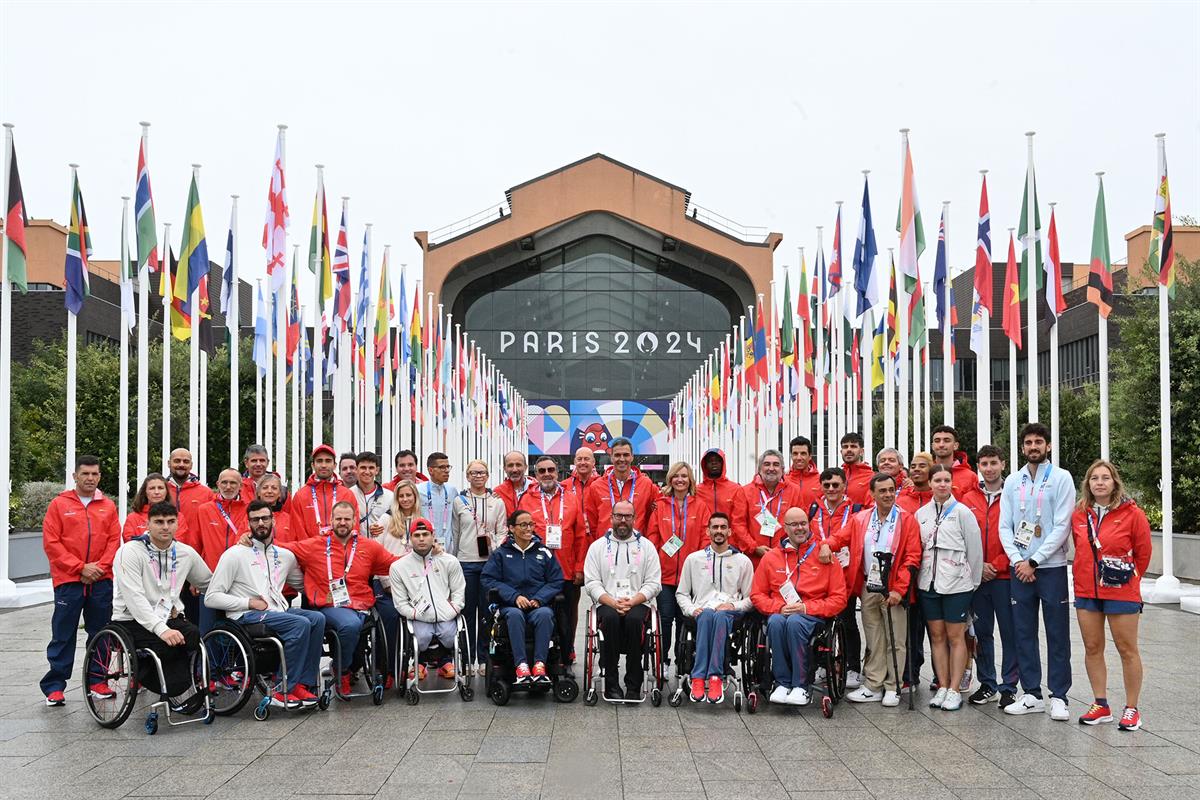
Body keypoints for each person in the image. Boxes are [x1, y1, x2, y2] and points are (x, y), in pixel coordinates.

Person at [204, 500, 325, 707]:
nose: (261, 523)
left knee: (317, 618)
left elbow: (304, 585)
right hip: (245, 615)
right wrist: (248, 602)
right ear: (248, 523)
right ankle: (282, 688)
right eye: (255, 519)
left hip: (276, 611)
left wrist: (328, 593)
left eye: (265, 518)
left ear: (273, 520)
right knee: (299, 624)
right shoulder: (234, 555)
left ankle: (301, 684)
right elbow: (211, 597)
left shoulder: (285, 556)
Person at [999, 422, 1075, 721]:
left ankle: (1059, 695)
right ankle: (1031, 693)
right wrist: (1019, 559)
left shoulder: (1061, 478)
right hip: (1019, 568)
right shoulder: (1013, 481)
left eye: (1038, 442)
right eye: (1028, 442)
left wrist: (1036, 560)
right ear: (1022, 448)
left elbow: (1062, 524)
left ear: (1048, 446)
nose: (1033, 447)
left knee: (1057, 633)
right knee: (1023, 632)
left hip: (1051, 567)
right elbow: (1006, 525)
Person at [282, 501, 398, 695]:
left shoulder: (368, 546)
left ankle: (351, 666)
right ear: (331, 520)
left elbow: (394, 563)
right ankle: (341, 670)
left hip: (360, 604)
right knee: (350, 625)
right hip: (328, 604)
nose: (342, 522)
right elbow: (282, 547)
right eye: (338, 519)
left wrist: (426, 553)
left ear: (354, 521)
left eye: (347, 519)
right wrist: (249, 538)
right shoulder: (314, 545)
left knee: (363, 623)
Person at [823, 473, 920, 707]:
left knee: (895, 639)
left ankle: (892, 685)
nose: (887, 495)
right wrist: (826, 545)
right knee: (874, 636)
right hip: (869, 585)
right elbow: (840, 537)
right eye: (882, 491)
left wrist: (899, 589)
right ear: (872, 494)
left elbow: (912, 557)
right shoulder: (861, 519)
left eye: (891, 490)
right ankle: (874, 684)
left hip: (894, 588)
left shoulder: (906, 520)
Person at [1071, 460, 1152, 731]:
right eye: (1094, 478)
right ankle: (1100, 704)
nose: (1100, 482)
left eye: (1105, 477)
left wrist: (1127, 577)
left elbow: (1143, 554)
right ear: (1088, 483)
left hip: (1121, 590)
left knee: (1127, 649)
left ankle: (1132, 709)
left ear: (1115, 482)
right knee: (1093, 648)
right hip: (1086, 590)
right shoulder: (1080, 514)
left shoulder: (1132, 514)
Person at [110, 502, 211, 711]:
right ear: (147, 524)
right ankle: (169, 687)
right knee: (165, 643)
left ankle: (186, 685)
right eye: (159, 522)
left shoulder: (185, 553)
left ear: (177, 524)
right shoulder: (129, 552)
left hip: (169, 615)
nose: (165, 527)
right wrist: (162, 629)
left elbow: (208, 582)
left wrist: (242, 599)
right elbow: (134, 598)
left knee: (192, 633)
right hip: (133, 619)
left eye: (170, 522)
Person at [40, 455, 121, 706]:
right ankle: (54, 686)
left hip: (101, 579)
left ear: (99, 476)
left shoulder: (108, 506)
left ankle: (98, 681)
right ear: (75, 475)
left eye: (94, 474)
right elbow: (52, 543)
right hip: (69, 581)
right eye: (85, 473)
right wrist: (80, 568)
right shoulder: (59, 505)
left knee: (101, 632)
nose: (90, 478)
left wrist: (99, 568)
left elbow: (113, 540)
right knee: (63, 634)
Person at [752, 507, 848, 707]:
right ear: (785, 528)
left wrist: (806, 608)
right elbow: (757, 594)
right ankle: (782, 682)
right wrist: (778, 607)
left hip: (813, 615)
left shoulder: (825, 556)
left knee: (795, 622)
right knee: (777, 622)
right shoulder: (771, 558)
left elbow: (839, 599)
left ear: (809, 524)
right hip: (782, 611)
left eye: (803, 523)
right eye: (794, 524)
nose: (800, 528)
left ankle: (801, 685)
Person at [916, 465, 983, 711]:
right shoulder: (921, 513)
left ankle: (955, 689)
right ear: (930, 483)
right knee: (936, 636)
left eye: (946, 480)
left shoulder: (963, 513)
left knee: (956, 637)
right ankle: (942, 685)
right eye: (937, 480)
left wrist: (972, 583)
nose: (942, 484)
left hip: (957, 584)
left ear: (952, 483)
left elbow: (975, 551)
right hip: (928, 583)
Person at [582, 500, 662, 700]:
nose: (623, 520)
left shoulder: (647, 547)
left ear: (634, 519)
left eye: (628, 516)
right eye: (619, 516)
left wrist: (633, 601)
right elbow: (591, 582)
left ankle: (634, 685)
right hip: (607, 603)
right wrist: (610, 601)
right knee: (609, 619)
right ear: (611, 518)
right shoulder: (597, 547)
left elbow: (654, 583)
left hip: (637, 602)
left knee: (635, 621)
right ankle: (611, 684)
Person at [960, 445, 1018, 707]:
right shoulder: (966, 498)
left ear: (1003, 464)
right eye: (984, 464)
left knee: (1009, 632)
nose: (989, 468)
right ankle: (987, 683)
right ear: (978, 467)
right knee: (982, 633)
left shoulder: (1014, 495)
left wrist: (998, 564)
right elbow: (959, 537)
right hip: (977, 578)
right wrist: (978, 566)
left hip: (1005, 577)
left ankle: (1009, 686)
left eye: (994, 462)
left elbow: (1021, 535)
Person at [676, 512, 754, 703]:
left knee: (719, 616)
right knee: (708, 615)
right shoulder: (694, 559)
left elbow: (751, 598)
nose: (719, 531)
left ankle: (714, 676)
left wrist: (732, 605)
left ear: (730, 531)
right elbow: (682, 593)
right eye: (715, 527)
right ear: (708, 531)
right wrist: (691, 609)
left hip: (730, 614)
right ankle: (698, 677)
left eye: (722, 527)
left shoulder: (743, 561)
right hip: (701, 613)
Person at [482, 509, 565, 684]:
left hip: (537, 605)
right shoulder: (501, 554)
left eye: (531, 524)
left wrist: (540, 598)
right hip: (510, 605)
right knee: (514, 615)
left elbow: (556, 580)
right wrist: (514, 596)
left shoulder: (544, 552)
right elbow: (488, 579)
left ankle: (540, 665)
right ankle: (521, 666)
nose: (529, 528)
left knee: (545, 615)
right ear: (511, 528)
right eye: (523, 525)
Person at [647, 461, 711, 670]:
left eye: (684, 476)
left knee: (685, 619)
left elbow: (705, 536)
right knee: (665, 619)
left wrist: (699, 562)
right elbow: (653, 535)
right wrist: (658, 557)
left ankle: (681, 660)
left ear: (690, 479)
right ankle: (663, 660)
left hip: (691, 575)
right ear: (670, 479)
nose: (680, 480)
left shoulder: (700, 506)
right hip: (665, 575)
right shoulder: (661, 505)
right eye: (676, 476)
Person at [518, 457, 582, 662]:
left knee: (568, 615)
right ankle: (537, 656)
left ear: (558, 473)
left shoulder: (571, 497)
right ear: (536, 475)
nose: (547, 474)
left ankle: (567, 651)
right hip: (537, 571)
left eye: (551, 470)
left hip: (566, 568)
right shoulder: (526, 499)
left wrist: (579, 567)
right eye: (542, 470)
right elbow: (519, 534)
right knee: (539, 613)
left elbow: (580, 535)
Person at [389, 518, 466, 680]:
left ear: (433, 536)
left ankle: (445, 662)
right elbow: (400, 602)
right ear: (410, 539)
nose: (422, 538)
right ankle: (420, 663)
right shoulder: (398, 567)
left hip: (446, 615)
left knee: (449, 635)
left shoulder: (450, 561)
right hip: (419, 617)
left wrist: (453, 609)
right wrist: (415, 614)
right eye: (417, 535)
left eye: (425, 534)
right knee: (422, 637)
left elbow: (459, 590)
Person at [809, 467, 864, 689]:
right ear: (821, 487)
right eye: (827, 485)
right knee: (821, 620)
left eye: (836, 485)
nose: (831, 489)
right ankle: (823, 663)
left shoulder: (856, 510)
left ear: (844, 486)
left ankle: (852, 668)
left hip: (846, 573)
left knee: (848, 620)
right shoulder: (814, 509)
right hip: (819, 573)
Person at [455, 460, 508, 673]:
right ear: (467, 476)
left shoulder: (497, 501)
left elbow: (503, 530)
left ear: (488, 475)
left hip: (489, 563)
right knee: (467, 612)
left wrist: (493, 545)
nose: (478, 476)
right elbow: (455, 532)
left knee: (487, 613)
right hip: (466, 562)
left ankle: (485, 659)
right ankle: (467, 660)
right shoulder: (459, 501)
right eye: (473, 472)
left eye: (482, 472)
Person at [896, 452, 934, 687]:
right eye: (913, 466)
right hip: (909, 572)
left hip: (935, 572)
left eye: (922, 466)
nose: (917, 469)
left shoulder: (940, 497)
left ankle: (943, 676)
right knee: (911, 628)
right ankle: (910, 673)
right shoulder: (900, 500)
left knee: (937, 628)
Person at [584, 438, 657, 541]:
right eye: (617, 455)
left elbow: (651, 518)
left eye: (626, 455)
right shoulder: (596, 486)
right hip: (606, 547)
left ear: (632, 457)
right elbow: (592, 523)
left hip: (636, 547)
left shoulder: (646, 484)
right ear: (611, 457)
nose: (622, 459)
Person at [739, 449, 804, 566]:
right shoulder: (745, 492)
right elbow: (738, 524)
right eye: (767, 464)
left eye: (776, 464)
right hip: (754, 557)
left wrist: (785, 546)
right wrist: (754, 547)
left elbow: (800, 523)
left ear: (783, 470)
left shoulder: (794, 491)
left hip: (785, 555)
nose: (771, 468)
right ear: (759, 469)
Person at [289, 444, 359, 541]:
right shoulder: (301, 496)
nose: (324, 465)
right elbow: (297, 529)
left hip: (340, 551)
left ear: (334, 465)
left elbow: (354, 526)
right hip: (310, 552)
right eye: (319, 461)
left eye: (328, 461)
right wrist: (309, 550)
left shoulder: (347, 494)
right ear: (313, 465)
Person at [195, 469, 251, 571]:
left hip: (241, 571)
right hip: (211, 571)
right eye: (224, 482)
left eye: (233, 483)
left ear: (241, 486)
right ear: (218, 484)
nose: (228, 487)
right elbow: (197, 543)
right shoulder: (204, 510)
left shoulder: (250, 510)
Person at [697, 449, 750, 551]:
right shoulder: (696, 491)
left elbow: (739, 521)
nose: (714, 463)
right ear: (704, 465)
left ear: (723, 463)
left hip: (730, 546)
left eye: (718, 460)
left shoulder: (736, 489)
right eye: (710, 461)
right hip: (703, 547)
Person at [165, 448, 214, 548]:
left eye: (186, 461)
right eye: (177, 461)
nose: (181, 464)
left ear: (191, 465)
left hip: (195, 553)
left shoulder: (206, 493)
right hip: (164, 553)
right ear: (169, 463)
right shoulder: (160, 491)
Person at [124, 473, 189, 543]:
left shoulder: (178, 517)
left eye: (160, 488)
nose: (156, 492)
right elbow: (130, 542)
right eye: (152, 488)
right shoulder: (133, 518)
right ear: (145, 492)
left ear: (166, 491)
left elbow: (179, 541)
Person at [350, 452, 394, 538]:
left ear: (377, 470)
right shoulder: (348, 494)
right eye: (363, 468)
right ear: (356, 469)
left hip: (381, 548)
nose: (367, 472)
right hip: (356, 547)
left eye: (371, 468)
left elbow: (396, 524)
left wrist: (382, 527)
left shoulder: (390, 497)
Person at [420, 452, 458, 551]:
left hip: (448, 546)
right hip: (425, 544)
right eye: (442, 467)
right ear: (431, 470)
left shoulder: (452, 491)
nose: (446, 471)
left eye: (448, 467)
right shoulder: (418, 490)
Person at [931, 425, 980, 498]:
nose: (941, 445)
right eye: (937, 441)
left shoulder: (970, 477)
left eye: (946, 440)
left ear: (955, 446)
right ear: (932, 446)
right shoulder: (925, 473)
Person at [563, 446, 599, 540]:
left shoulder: (602, 485)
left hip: (596, 537)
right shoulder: (564, 486)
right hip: (573, 538)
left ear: (593, 462)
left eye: (586, 459)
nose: (583, 462)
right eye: (579, 459)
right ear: (575, 462)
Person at [255, 473, 295, 544]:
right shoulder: (250, 517)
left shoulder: (290, 519)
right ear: (258, 492)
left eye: (274, 488)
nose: (269, 491)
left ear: (279, 493)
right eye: (265, 488)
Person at [494, 450, 536, 516]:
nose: (514, 470)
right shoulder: (498, 492)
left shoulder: (537, 490)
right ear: (505, 469)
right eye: (510, 465)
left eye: (518, 465)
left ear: (525, 467)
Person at [839, 433, 874, 507]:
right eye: (845, 447)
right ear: (841, 451)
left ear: (861, 451)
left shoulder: (871, 478)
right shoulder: (837, 476)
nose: (849, 449)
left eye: (853, 446)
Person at [786, 436, 821, 506]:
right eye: (795, 454)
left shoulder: (821, 481)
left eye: (803, 453)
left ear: (810, 456)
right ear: (791, 456)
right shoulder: (784, 480)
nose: (799, 458)